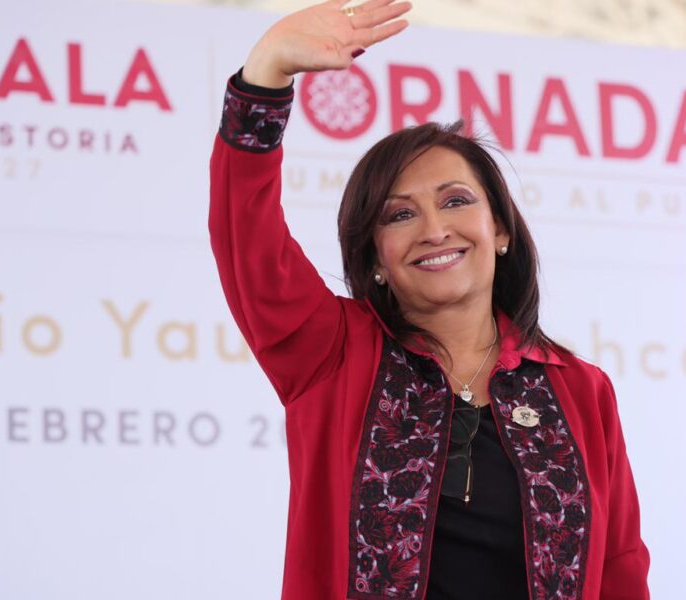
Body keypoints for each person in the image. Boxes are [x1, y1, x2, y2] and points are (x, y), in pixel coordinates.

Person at [208, 1, 650, 598]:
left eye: (456, 201)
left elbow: (621, 569)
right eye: (401, 215)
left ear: (500, 229)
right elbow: (248, 238)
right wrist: (265, 75)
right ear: (375, 258)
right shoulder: (333, 354)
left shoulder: (581, 389)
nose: (435, 230)